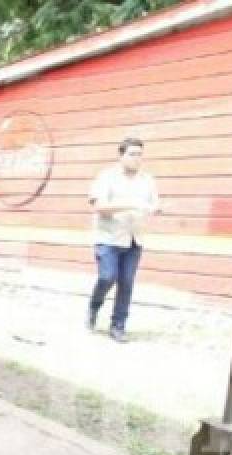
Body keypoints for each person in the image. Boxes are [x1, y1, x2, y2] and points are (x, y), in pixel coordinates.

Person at [87, 137, 160, 343]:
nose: (137, 158)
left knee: (126, 283)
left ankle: (118, 326)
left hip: (134, 239)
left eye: (140, 154)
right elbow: (99, 207)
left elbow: (154, 203)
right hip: (109, 238)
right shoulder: (106, 177)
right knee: (107, 277)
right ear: (121, 156)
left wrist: (155, 208)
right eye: (132, 154)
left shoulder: (148, 180)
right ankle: (94, 306)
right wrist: (130, 204)